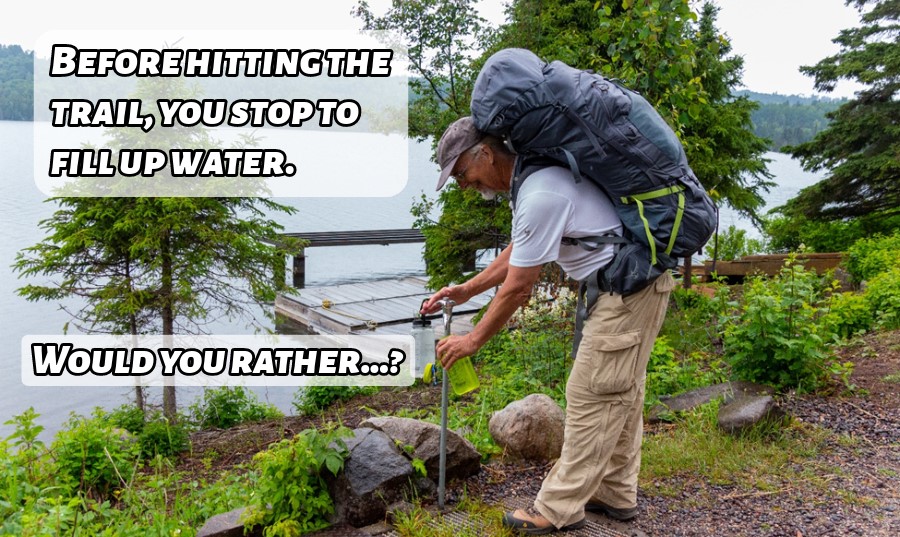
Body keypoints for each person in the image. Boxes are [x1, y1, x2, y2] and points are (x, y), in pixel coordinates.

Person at [421, 116, 675, 534]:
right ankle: (614, 491)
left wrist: (473, 340)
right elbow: (523, 249)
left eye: (462, 173)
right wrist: (468, 288)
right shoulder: (534, 182)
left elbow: (520, 287)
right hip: (627, 287)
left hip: (627, 291)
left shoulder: (540, 192)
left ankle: (557, 508)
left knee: (591, 393)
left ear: (484, 152)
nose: (463, 185)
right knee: (621, 392)